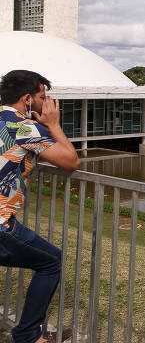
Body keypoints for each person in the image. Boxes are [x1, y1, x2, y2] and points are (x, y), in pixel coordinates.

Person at [0, 70, 78, 343]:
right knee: (50, 261)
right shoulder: (24, 127)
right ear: (27, 99)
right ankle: (28, 335)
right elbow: (70, 161)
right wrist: (54, 125)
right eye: (43, 98)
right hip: (0, 224)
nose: (47, 103)